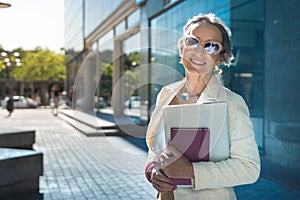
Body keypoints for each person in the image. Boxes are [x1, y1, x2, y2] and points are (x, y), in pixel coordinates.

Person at [144, 13, 260, 200]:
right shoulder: (166, 94)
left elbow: (249, 168)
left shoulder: (231, 103)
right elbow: (155, 148)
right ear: (182, 46)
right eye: (193, 41)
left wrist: (191, 171)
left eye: (211, 46)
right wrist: (152, 169)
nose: (199, 51)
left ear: (220, 58)